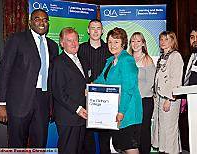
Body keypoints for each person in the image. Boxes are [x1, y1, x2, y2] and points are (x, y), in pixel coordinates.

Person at [0, 9, 58, 147]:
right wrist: (2, 103)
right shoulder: (17, 39)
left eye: (45, 20)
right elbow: (4, 71)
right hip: (19, 102)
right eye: (37, 19)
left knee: (40, 143)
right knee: (17, 144)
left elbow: (53, 77)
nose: (42, 22)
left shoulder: (53, 46)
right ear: (30, 22)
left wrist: (52, 105)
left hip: (43, 101)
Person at [94, 27, 142, 154]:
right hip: (115, 110)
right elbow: (102, 79)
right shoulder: (110, 61)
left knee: (130, 147)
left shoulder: (127, 60)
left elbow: (128, 88)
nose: (112, 45)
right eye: (110, 42)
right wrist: (91, 87)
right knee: (122, 146)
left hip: (128, 111)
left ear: (123, 43)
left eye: (116, 42)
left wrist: (121, 112)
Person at [51, 27, 88, 154]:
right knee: (68, 150)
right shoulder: (58, 62)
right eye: (69, 40)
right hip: (68, 117)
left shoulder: (81, 59)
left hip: (81, 117)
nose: (73, 43)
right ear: (62, 43)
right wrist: (77, 109)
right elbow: (58, 92)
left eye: (76, 40)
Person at [78, 19, 112, 154]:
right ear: (88, 30)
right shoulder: (80, 49)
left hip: (106, 99)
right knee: (87, 137)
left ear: (102, 31)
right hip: (85, 97)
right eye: (93, 28)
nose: (96, 31)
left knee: (105, 138)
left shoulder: (109, 49)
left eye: (98, 28)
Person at [152, 31, 183, 154]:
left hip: (170, 98)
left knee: (170, 129)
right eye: (161, 39)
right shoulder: (163, 57)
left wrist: (169, 99)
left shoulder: (175, 56)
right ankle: (166, 151)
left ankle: (172, 152)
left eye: (166, 39)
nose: (163, 42)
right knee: (162, 129)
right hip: (160, 97)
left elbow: (176, 80)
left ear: (172, 41)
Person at [129, 32, 156, 154]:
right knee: (133, 130)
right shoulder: (127, 59)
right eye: (133, 41)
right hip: (130, 102)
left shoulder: (147, 59)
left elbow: (151, 83)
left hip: (144, 101)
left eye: (138, 41)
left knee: (143, 130)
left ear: (143, 43)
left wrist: (136, 96)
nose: (135, 43)